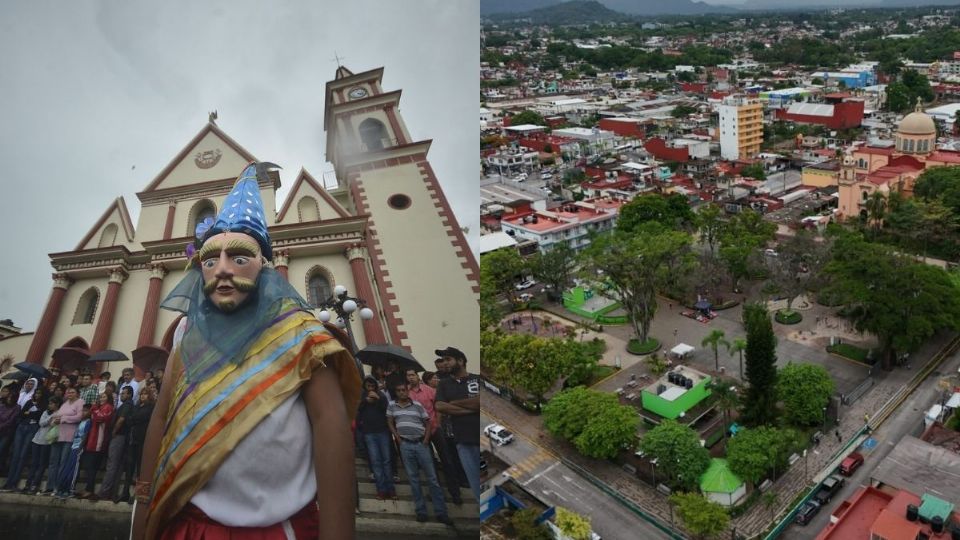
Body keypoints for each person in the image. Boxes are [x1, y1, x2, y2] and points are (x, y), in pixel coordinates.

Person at [133, 162, 360, 540]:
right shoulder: (188, 339)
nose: (221, 269)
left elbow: (329, 423)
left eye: (238, 258)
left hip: (275, 529)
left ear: (264, 266)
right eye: (209, 260)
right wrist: (143, 506)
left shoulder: (300, 333)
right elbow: (161, 419)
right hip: (188, 526)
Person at [387, 383, 452, 526]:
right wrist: (397, 438)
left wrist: (426, 439)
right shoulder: (392, 406)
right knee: (413, 479)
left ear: (407, 391)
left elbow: (428, 423)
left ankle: (441, 512)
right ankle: (421, 511)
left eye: (404, 389)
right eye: (399, 390)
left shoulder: (417, 405)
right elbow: (390, 422)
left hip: (420, 444)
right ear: (396, 392)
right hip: (405, 445)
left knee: (433, 479)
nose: (402, 392)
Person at [434, 346, 481, 502]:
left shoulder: (477, 379)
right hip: (463, 440)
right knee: (476, 485)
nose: (445, 363)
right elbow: (440, 406)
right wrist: (471, 409)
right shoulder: (444, 384)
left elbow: (481, 402)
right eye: (443, 360)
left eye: (448, 359)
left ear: (460, 361)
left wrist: (454, 403)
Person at [357, 375, 394, 500]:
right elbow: (357, 410)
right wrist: (365, 401)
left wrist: (377, 399)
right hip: (368, 432)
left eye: (373, 385)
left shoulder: (382, 396)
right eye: (368, 385)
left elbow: (388, 411)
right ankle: (381, 490)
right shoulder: (361, 396)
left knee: (387, 461)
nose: (370, 388)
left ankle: (391, 489)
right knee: (376, 462)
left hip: (382, 431)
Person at [46, 386, 83, 495]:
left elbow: (79, 417)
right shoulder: (65, 403)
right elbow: (57, 415)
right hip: (57, 435)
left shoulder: (80, 402)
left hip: (69, 436)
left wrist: (63, 419)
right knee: (53, 462)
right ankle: (50, 486)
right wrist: (54, 420)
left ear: (77, 393)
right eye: (68, 392)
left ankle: (58, 486)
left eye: (72, 392)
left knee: (63, 462)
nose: (70, 393)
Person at [98, 385, 133, 502]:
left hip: (119, 436)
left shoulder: (127, 405)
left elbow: (121, 419)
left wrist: (114, 431)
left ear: (129, 395)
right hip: (121, 437)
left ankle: (104, 492)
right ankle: (111, 493)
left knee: (112, 464)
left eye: (124, 393)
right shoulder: (125, 405)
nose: (121, 395)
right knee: (116, 465)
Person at [120, 388, 154, 504]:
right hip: (132, 440)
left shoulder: (150, 407)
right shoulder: (136, 406)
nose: (143, 396)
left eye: (145, 394)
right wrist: (134, 418)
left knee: (140, 469)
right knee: (129, 467)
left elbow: (140, 417)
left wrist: (134, 418)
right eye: (142, 394)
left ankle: (137, 494)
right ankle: (125, 493)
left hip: (142, 441)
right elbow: (129, 420)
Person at [78, 392, 113, 499]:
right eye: (100, 396)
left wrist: (94, 408)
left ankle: (89, 490)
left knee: (92, 466)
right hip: (92, 439)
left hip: (99, 440)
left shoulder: (108, 407)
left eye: (104, 396)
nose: (101, 398)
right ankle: (88, 488)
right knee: (89, 466)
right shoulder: (98, 407)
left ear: (109, 398)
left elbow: (100, 418)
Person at [55, 403, 91, 498]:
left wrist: (80, 447)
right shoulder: (80, 422)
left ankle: (70, 489)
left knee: (74, 469)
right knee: (68, 468)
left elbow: (85, 435)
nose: (83, 413)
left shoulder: (88, 422)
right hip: (73, 446)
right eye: (83, 410)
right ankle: (62, 488)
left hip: (79, 448)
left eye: (86, 411)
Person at [26, 396, 60, 494]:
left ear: (56, 404)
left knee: (42, 464)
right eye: (49, 403)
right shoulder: (46, 412)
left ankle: (35, 485)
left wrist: (52, 418)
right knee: (34, 463)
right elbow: (41, 423)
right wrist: (51, 417)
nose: (50, 405)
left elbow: (54, 424)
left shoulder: (59, 413)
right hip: (37, 439)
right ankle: (28, 484)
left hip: (47, 441)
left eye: (52, 403)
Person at [0, 384, 22, 476]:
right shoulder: (2, 406)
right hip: (1, 430)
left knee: (2, 449)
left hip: (7, 432)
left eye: (11, 397)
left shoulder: (17, 407)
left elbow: (11, 420)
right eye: (8, 397)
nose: (9, 399)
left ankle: (2, 469)